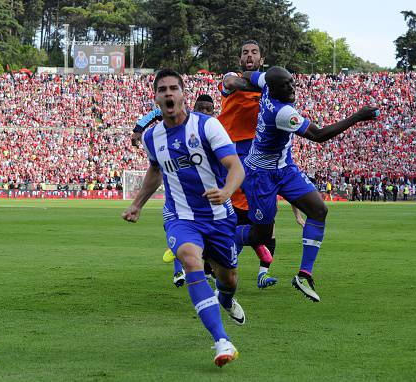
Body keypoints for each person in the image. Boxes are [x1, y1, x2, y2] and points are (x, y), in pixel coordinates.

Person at [122, 69, 245, 367]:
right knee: (190, 259)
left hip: (218, 216)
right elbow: (156, 170)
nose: (168, 93)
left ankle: (225, 298)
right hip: (180, 216)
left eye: (173, 88)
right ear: (155, 97)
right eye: (162, 89)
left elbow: (236, 167)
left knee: (228, 278)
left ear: (182, 94)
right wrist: (138, 203)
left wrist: (227, 191)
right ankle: (221, 341)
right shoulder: (152, 136)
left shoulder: (208, 126)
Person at [233, 66, 378, 302]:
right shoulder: (282, 113)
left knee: (319, 210)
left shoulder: (265, 84)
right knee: (260, 236)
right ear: (273, 88)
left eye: (292, 82)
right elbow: (319, 135)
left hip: (284, 168)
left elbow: (252, 76)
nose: (291, 88)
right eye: (285, 85)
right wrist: (357, 117)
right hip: (261, 174)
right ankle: (225, 235)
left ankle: (303, 274)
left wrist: (242, 79)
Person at [219, 40, 304, 289]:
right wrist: (264, 82)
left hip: (258, 155)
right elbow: (233, 84)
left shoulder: (273, 92)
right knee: (222, 212)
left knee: (266, 220)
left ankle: (262, 272)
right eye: (244, 52)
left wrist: (297, 209)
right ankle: (203, 258)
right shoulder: (233, 77)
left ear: (261, 59)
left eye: (254, 52)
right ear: (240, 59)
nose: (248, 55)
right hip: (229, 152)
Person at [132, 94, 218, 288]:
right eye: (201, 108)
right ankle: (180, 271)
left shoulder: (211, 129)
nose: (204, 112)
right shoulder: (175, 122)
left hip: (210, 199)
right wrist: (138, 130)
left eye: (208, 109)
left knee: (218, 258)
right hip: (178, 197)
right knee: (181, 233)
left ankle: (208, 270)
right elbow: (155, 113)